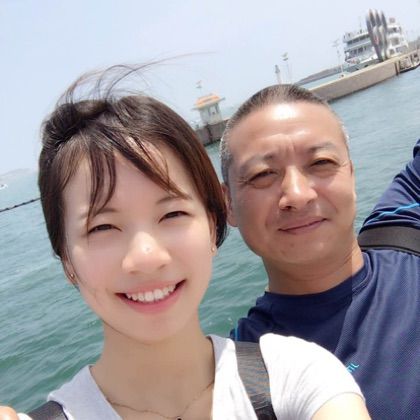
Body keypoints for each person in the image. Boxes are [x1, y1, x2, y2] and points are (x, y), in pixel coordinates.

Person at [0, 69, 370, 420]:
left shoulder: (298, 376)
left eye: (172, 214)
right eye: (102, 227)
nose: (146, 257)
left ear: (212, 225)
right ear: (67, 260)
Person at [220, 84, 420, 420]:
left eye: (321, 162)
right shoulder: (240, 379)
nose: (297, 195)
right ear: (228, 203)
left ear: (351, 173)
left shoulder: (406, 225)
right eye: (263, 174)